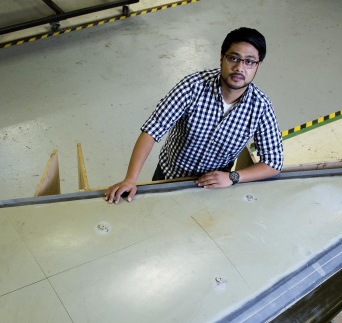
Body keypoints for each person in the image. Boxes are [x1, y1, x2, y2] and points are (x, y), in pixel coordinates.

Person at [105, 27, 284, 204]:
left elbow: (274, 162)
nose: (239, 68)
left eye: (249, 62)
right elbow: (152, 130)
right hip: (169, 176)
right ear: (222, 58)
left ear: (258, 66)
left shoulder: (261, 107)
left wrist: (234, 177)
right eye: (233, 58)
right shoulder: (193, 86)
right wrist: (130, 179)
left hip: (214, 186)